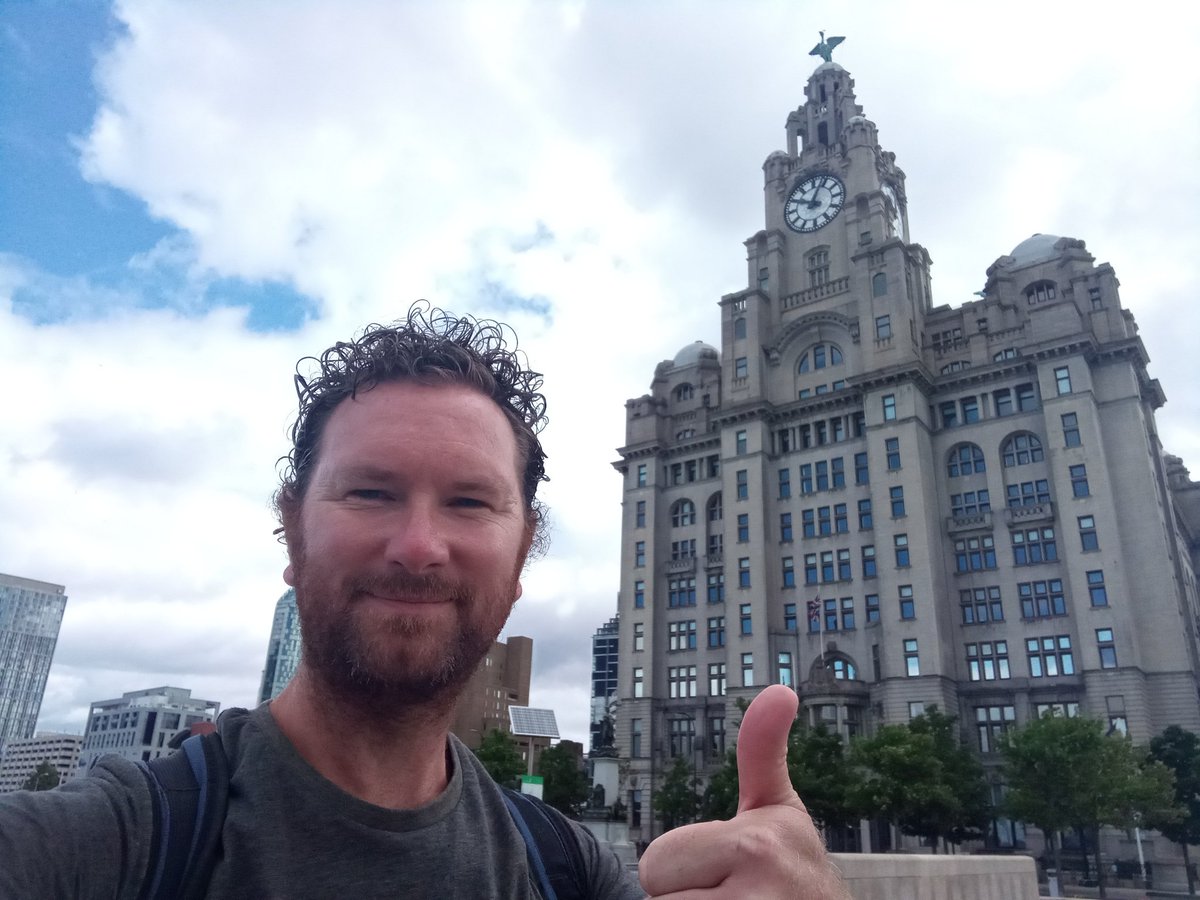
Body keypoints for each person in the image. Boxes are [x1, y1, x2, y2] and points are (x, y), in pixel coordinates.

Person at [0, 305, 848, 899]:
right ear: (292, 535)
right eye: (369, 493)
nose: (418, 545)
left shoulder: (565, 871)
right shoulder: (111, 847)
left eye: (470, 503)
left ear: (520, 562)